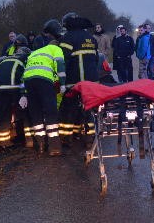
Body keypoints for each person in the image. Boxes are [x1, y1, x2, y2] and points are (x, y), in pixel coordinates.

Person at [21, 19, 66, 156]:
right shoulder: (56, 49)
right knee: (50, 111)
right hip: (44, 81)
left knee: (36, 112)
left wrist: (23, 93)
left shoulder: (33, 53)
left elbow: (24, 74)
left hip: (29, 81)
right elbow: (60, 67)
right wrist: (63, 84)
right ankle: (54, 147)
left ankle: (40, 145)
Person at [58, 12, 99, 146]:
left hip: (74, 82)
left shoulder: (67, 38)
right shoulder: (91, 38)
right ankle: (89, 137)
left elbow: (63, 61)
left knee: (68, 109)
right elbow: (96, 59)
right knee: (88, 109)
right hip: (92, 82)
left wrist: (61, 81)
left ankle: (67, 138)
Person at [0, 45, 31, 149]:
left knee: (3, 115)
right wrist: (24, 94)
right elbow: (25, 77)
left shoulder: (4, 60)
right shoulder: (24, 60)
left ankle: (4, 142)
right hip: (14, 88)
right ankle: (28, 139)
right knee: (24, 111)